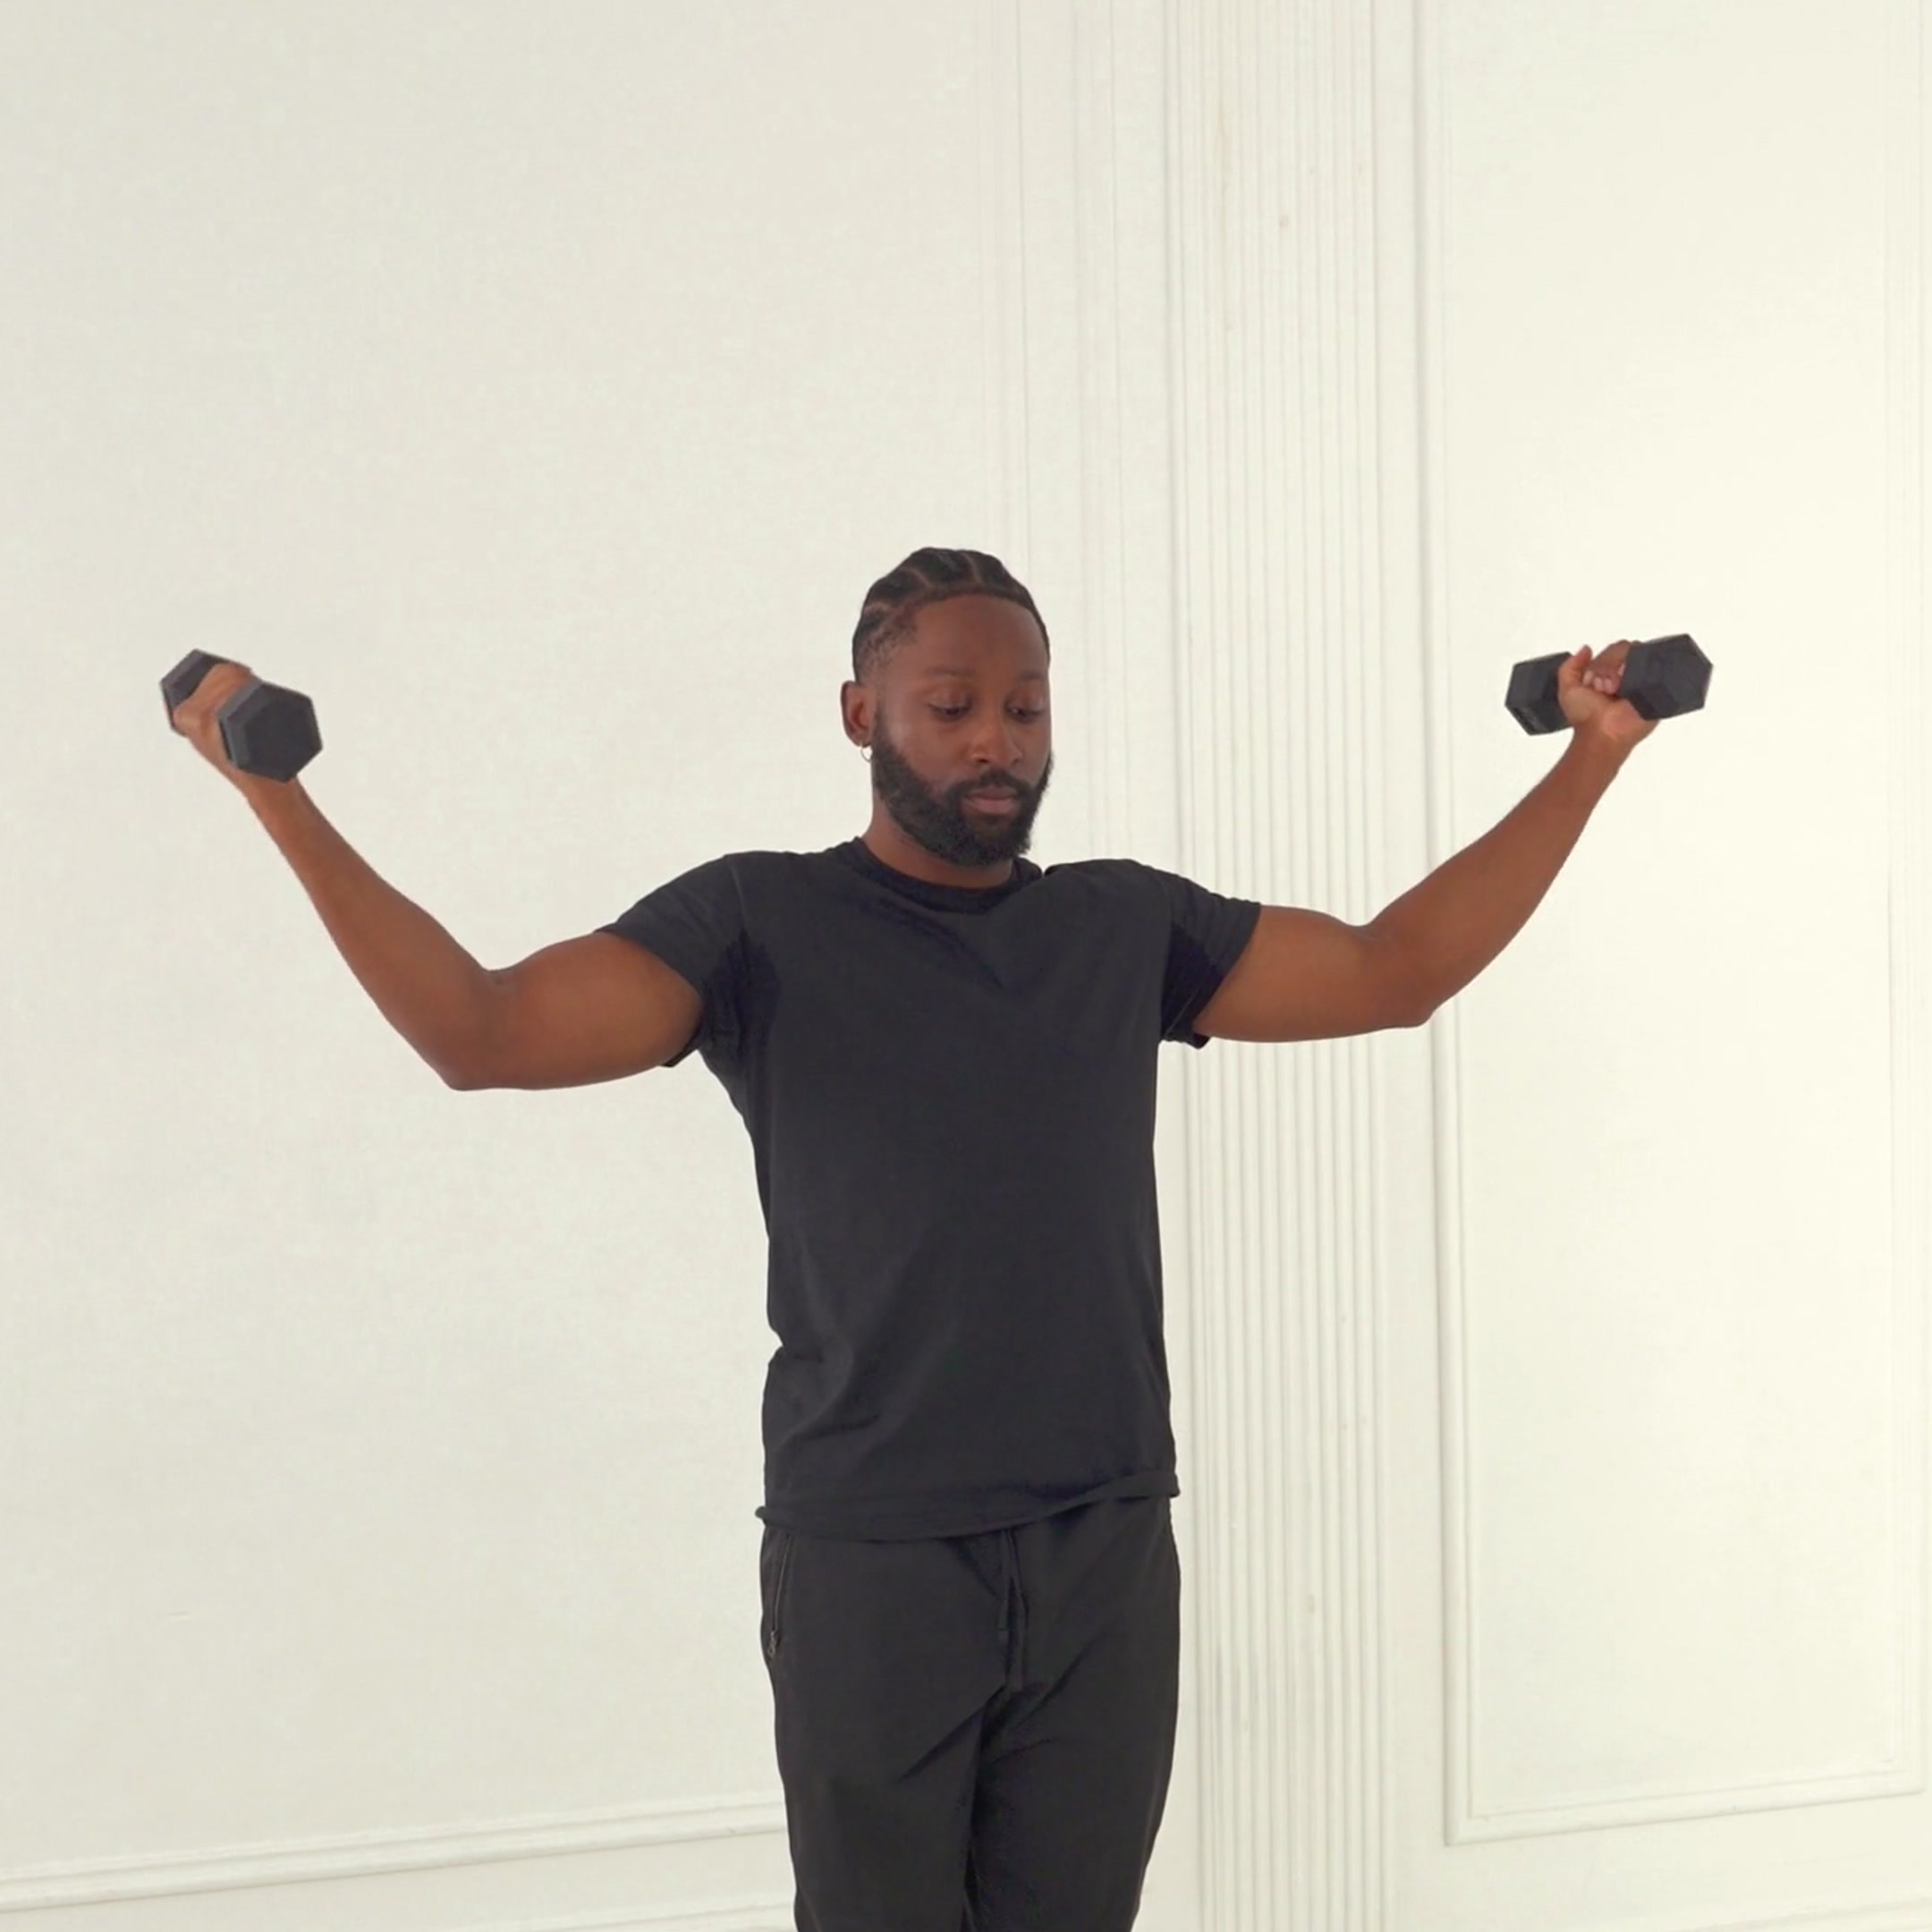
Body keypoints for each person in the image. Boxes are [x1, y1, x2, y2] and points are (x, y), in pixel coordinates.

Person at [170, 543, 1645, 1929]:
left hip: (1103, 1547)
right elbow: (482, 1032)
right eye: (951, 708)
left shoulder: (1122, 927)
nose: (995, 741)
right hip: (874, 1561)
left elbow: (1394, 969)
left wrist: (1594, 754)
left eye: (1025, 708)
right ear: (862, 714)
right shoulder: (755, 923)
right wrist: (273, 794)